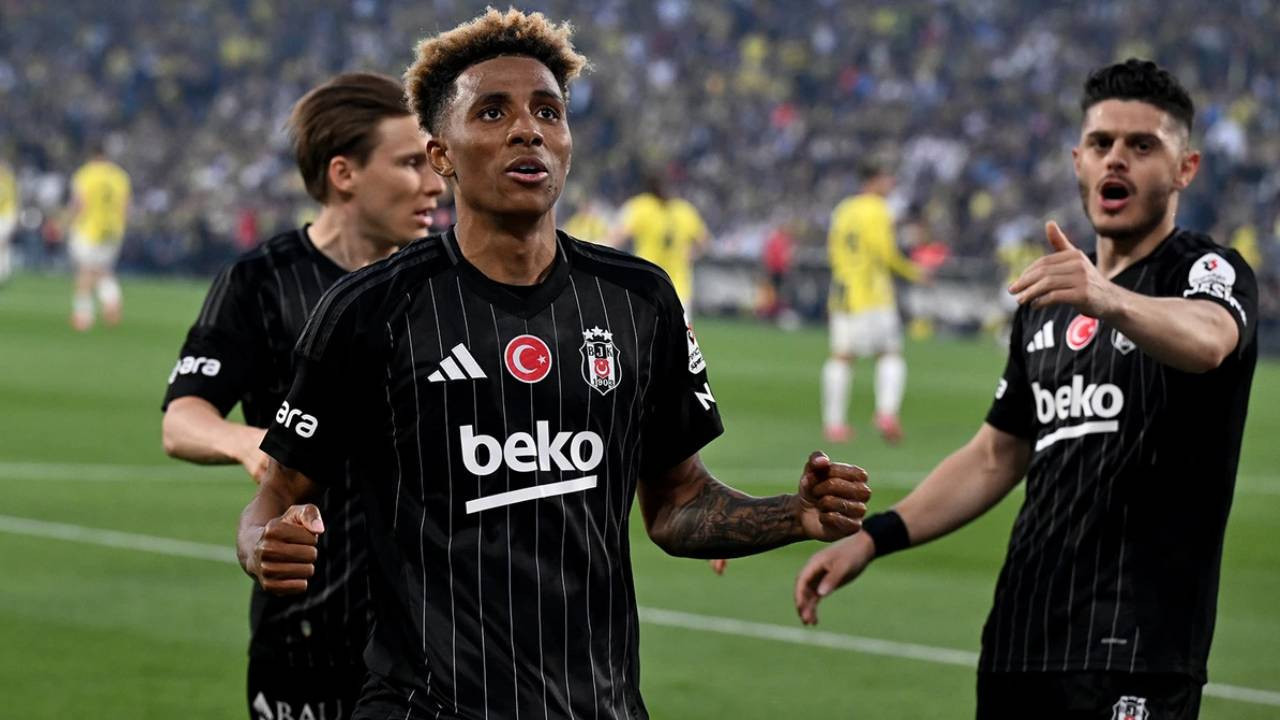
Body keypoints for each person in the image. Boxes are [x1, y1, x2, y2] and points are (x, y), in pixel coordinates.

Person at [236, 9, 870, 719]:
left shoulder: (639, 300)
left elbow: (677, 503)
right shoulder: (369, 309)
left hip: (600, 706)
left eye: (548, 111)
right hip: (425, 705)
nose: (528, 130)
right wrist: (263, 544)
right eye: (492, 111)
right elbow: (277, 490)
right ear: (440, 154)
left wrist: (795, 514)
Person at [795, 59, 1257, 719]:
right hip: (1021, 642)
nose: (1116, 159)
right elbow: (995, 454)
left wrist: (1108, 298)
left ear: (1185, 168)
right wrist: (874, 536)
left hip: (1137, 649)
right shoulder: (1049, 303)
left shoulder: (1205, 271)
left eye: (1142, 145)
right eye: (1101, 143)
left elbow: (1210, 338)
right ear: (1078, 161)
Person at [162, 72, 446, 720]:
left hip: (434, 642)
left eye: (434, 162)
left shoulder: (449, 286)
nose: (435, 183)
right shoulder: (261, 282)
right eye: (411, 163)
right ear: (344, 174)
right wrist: (247, 442)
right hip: (306, 631)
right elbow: (183, 419)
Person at [821, 161, 926, 445]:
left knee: (841, 356)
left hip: (843, 291)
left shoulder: (843, 209)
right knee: (889, 353)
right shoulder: (879, 209)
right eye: (888, 178)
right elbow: (885, 253)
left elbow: (832, 250)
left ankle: (834, 424)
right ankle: (886, 413)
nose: (891, 184)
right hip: (873, 293)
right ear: (876, 180)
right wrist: (914, 272)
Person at [614, 172, 710, 309]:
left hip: (649, 285)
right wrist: (692, 253)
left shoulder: (641, 206)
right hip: (675, 289)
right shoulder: (684, 210)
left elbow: (617, 236)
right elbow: (705, 241)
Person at [67, 145, 131, 330]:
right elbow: (126, 206)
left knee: (85, 271)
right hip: (113, 230)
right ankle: (112, 299)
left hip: (89, 229)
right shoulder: (119, 176)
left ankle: (83, 315)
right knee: (103, 269)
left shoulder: (86, 174)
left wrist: (68, 221)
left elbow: (80, 204)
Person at [0, 158, 16, 284]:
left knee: (3, 243)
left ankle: (4, 270)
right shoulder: (8, 179)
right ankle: (5, 269)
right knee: (4, 244)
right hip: (5, 215)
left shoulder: (7, 180)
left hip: (6, 215)